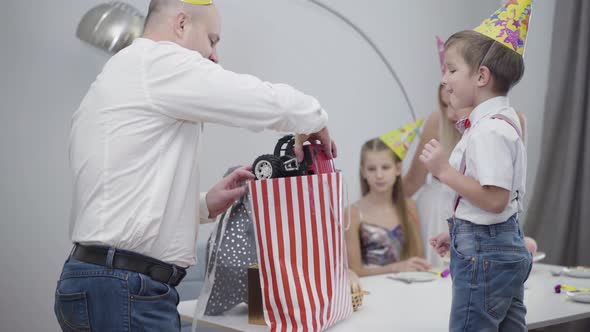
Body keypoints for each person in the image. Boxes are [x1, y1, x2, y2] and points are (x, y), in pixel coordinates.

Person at [53, 0, 336, 331]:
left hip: (93, 281)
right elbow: (250, 97)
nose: (215, 55)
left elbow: (121, 197)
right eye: (212, 39)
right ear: (182, 24)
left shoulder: (119, 76)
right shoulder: (157, 62)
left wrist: (203, 205)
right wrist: (312, 116)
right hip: (125, 289)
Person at [422, 1, 534, 330]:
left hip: (486, 254)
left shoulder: (490, 130)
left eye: (452, 70)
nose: (445, 80)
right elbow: (489, 206)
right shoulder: (500, 123)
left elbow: (495, 198)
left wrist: (444, 171)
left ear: (481, 76)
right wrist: (458, 232)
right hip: (494, 245)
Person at [345, 133, 430, 277]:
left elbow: (419, 260)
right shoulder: (352, 213)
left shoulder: (410, 207)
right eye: (372, 169)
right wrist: (396, 267)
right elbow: (355, 271)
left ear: (397, 169)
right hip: (373, 291)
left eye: (385, 167)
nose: (379, 175)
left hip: (409, 288)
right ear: (363, 172)